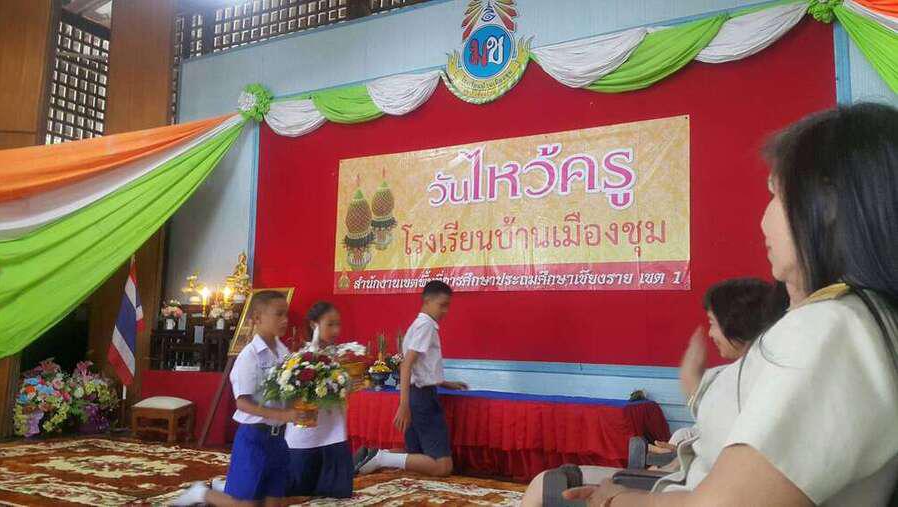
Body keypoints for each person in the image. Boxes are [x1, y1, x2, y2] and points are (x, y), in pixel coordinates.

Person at [556, 103, 898, 506]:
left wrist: (615, 499)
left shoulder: (830, 329)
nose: (763, 220)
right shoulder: (853, 318)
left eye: (775, 195)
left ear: (829, 205)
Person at [520, 278, 788, 505]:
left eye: (713, 323)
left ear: (735, 323)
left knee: (544, 482)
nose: (710, 334)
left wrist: (692, 386)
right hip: (672, 484)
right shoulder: (751, 374)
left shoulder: (742, 381)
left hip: (669, 492)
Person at [172, 290, 298, 506]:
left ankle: (222, 487)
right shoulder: (249, 356)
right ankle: (202, 494)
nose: (285, 320)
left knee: (273, 502)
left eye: (286, 314)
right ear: (257, 318)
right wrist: (282, 414)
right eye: (279, 314)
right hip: (254, 438)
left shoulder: (284, 353)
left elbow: (289, 390)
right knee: (245, 505)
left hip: (278, 439)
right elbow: (243, 402)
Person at [356, 280, 468, 477]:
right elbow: (406, 364)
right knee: (443, 466)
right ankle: (381, 458)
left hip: (418, 395)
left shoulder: (418, 324)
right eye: (442, 305)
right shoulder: (426, 326)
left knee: (417, 454)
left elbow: (420, 367)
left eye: (448, 306)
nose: (445, 311)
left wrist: (444, 382)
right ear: (427, 301)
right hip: (422, 398)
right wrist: (403, 405)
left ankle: (372, 455)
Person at [284, 301, 353, 499]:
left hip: (334, 435)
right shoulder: (300, 360)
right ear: (314, 324)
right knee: (297, 496)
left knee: (335, 498)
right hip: (306, 438)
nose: (336, 330)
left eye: (338, 324)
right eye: (330, 324)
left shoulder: (340, 357)